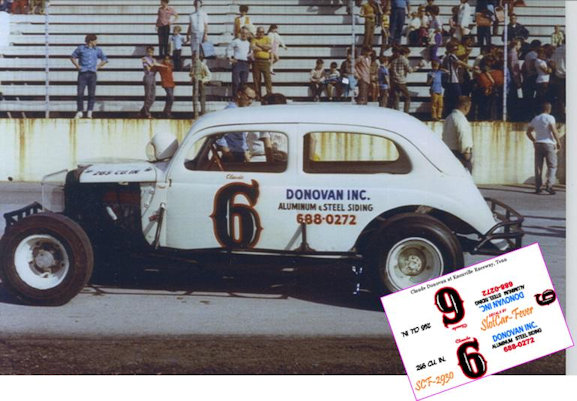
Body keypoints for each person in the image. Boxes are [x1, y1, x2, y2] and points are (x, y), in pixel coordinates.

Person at [525, 102, 562, 195]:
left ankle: (538, 187)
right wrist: (558, 142)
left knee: (538, 166)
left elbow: (528, 132)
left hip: (538, 143)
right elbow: (553, 130)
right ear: (549, 109)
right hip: (548, 144)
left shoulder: (536, 119)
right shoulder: (550, 118)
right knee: (552, 165)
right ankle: (549, 186)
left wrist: (534, 140)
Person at [70, 34, 108, 119]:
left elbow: (105, 59)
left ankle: (89, 111)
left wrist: (98, 66)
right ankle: (80, 111)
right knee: (80, 93)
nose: (96, 42)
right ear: (91, 41)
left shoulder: (97, 50)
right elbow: (72, 57)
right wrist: (77, 66)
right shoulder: (81, 48)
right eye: (95, 40)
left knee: (91, 93)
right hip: (82, 73)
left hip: (92, 74)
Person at [216, 84, 257, 162]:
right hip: (231, 153)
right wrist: (226, 151)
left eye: (253, 99)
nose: (251, 102)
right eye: (249, 98)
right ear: (239, 94)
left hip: (239, 152)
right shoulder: (230, 111)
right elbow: (219, 133)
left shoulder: (240, 111)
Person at [442, 96, 473, 172]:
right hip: (459, 154)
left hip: (449, 152)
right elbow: (463, 136)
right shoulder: (461, 119)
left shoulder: (449, 117)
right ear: (466, 107)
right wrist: (466, 153)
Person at [226, 26, 251, 98]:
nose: (244, 35)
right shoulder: (236, 41)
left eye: (246, 33)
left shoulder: (248, 43)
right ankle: (235, 97)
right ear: (240, 33)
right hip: (237, 63)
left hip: (245, 63)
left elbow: (249, 53)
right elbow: (229, 48)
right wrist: (230, 58)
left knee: (244, 82)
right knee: (235, 82)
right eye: (243, 33)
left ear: (248, 34)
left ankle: (242, 97)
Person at [140, 46, 164, 119]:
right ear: (147, 52)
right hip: (148, 76)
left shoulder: (153, 59)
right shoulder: (145, 59)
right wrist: (153, 64)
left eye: (152, 52)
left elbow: (158, 66)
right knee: (148, 94)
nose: (150, 53)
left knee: (153, 96)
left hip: (153, 77)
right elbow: (148, 68)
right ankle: (146, 112)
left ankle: (143, 110)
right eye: (149, 52)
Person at [251, 26, 273, 100]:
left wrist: (259, 45)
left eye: (262, 32)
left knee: (267, 79)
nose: (261, 33)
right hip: (256, 61)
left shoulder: (267, 38)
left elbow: (269, 47)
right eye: (259, 32)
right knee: (257, 80)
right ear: (257, 32)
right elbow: (253, 47)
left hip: (265, 61)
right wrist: (264, 48)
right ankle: (258, 96)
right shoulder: (254, 39)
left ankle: (269, 95)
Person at [549, 40, 565, 122]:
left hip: (560, 76)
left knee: (561, 98)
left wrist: (556, 70)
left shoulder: (558, 50)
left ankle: (562, 116)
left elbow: (552, 63)